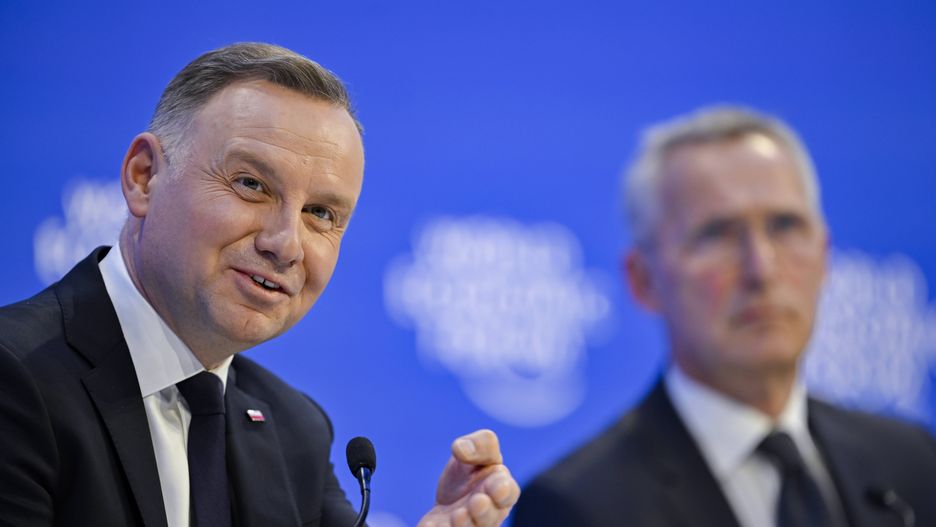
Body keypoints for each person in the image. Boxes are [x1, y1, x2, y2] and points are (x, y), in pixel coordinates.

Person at [0, 42, 519, 527]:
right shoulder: (16, 378)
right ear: (144, 176)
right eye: (251, 185)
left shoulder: (296, 430)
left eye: (320, 213)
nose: (285, 244)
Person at [512, 106, 936, 527]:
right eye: (716, 234)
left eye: (785, 226)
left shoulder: (911, 461)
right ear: (644, 280)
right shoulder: (578, 508)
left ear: (824, 256)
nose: (762, 269)